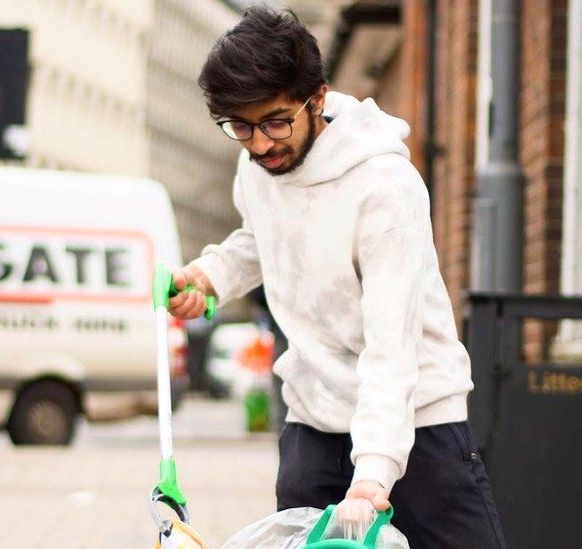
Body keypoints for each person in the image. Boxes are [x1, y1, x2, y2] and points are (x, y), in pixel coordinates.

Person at [168, 5, 506, 547]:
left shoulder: (384, 189)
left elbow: (391, 347)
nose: (259, 145)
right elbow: (261, 239)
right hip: (314, 426)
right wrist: (210, 276)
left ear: (317, 99)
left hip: (418, 430)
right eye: (241, 127)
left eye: (276, 121)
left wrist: (372, 474)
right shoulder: (259, 166)